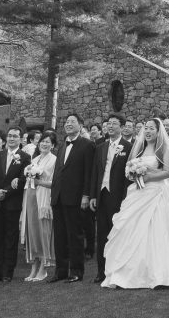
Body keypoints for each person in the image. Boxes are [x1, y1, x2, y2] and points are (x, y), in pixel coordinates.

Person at [102, 118, 169, 289]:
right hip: (138, 192)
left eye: (151, 129)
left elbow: (168, 172)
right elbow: (129, 168)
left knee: (158, 232)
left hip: (157, 193)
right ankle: (129, 273)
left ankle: (161, 274)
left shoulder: (163, 149)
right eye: (146, 128)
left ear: (158, 131)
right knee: (131, 229)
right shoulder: (139, 149)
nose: (147, 131)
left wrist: (147, 176)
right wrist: (133, 174)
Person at [50, 112, 95, 284]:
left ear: (80, 126)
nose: (68, 124)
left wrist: (86, 194)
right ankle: (60, 271)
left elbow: (88, 173)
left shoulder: (87, 145)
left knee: (75, 235)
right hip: (58, 197)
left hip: (76, 198)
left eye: (72, 122)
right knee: (59, 236)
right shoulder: (61, 146)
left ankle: (76, 271)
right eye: (67, 121)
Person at [89, 112, 131, 284]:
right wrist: (92, 195)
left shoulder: (128, 147)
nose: (111, 126)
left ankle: (117, 270)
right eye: (109, 124)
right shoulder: (100, 147)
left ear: (121, 127)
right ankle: (101, 271)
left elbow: (129, 176)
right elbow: (95, 173)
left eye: (114, 123)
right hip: (101, 195)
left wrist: (125, 199)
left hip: (118, 196)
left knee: (117, 234)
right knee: (102, 234)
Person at [0, 125, 27, 282]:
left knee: (11, 237)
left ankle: (7, 272)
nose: (11, 138)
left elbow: (23, 179)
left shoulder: (24, 157)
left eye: (15, 136)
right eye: (9, 136)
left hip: (12, 202)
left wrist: (7, 191)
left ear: (20, 139)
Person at [21, 130, 57, 281]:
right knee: (33, 232)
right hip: (30, 196)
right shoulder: (34, 159)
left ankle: (43, 266)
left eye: (48, 141)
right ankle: (34, 266)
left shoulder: (54, 160)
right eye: (43, 141)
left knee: (43, 232)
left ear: (53, 145)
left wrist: (39, 182)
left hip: (44, 198)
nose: (44, 144)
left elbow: (55, 183)